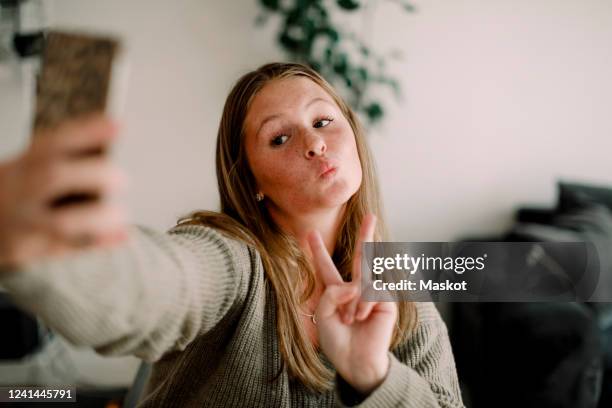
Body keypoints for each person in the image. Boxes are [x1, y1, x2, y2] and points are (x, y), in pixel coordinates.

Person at [0, 62, 464, 407]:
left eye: (323, 121)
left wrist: (371, 375)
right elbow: (157, 285)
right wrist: (52, 245)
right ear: (253, 182)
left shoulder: (401, 281)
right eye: (279, 138)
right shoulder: (232, 259)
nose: (315, 143)